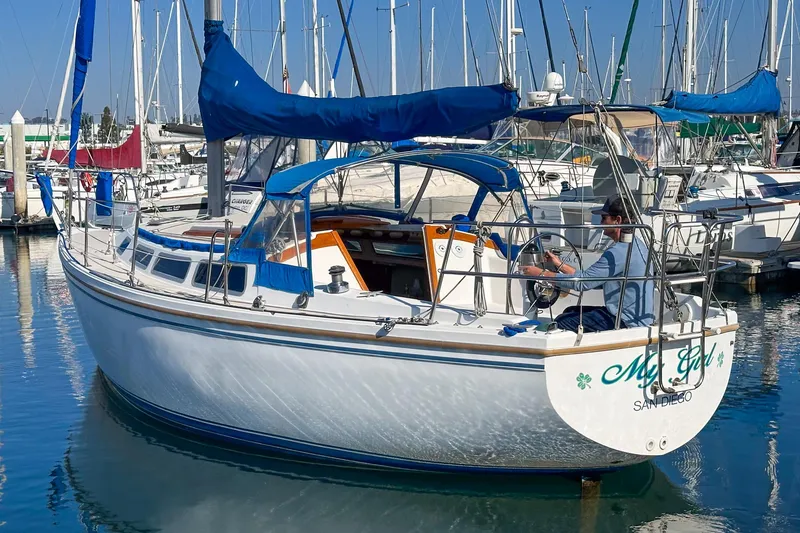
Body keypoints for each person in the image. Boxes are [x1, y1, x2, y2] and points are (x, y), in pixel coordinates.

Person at [520, 195, 655, 333]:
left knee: (562, 322)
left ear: (617, 220)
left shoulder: (617, 252)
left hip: (625, 322)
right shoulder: (638, 245)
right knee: (570, 311)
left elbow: (582, 283)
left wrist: (541, 274)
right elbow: (589, 279)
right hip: (636, 319)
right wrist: (559, 264)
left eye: (604, 218)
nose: (601, 223)